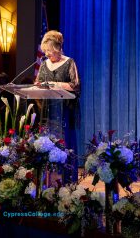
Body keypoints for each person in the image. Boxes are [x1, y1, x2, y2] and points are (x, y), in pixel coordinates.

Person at [35, 30, 81, 183]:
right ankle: (46, 182)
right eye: (45, 51)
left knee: (66, 145)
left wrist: (56, 84)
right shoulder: (43, 64)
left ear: (57, 48)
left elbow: (75, 86)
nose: (47, 54)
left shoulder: (69, 62)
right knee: (47, 144)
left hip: (65, 111)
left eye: (49, 51)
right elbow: (38, 84)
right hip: (48, 112)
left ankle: (68, 182)